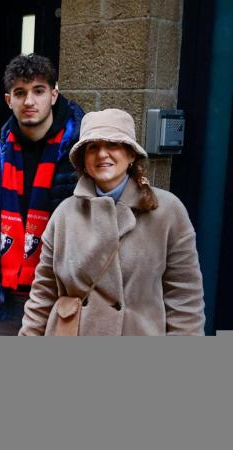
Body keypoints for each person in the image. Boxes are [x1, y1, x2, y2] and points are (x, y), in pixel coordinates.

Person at [19, 108, 205, 335]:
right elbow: (42, 294)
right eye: (92, 147)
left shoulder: (167, 211)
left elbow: (185, 299)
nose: (102, 154)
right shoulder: (64, 214)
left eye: (112, 145)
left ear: (131, 155)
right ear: (83, 160)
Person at [0, 53, 85, 335]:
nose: (29, 101)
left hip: (62, 297)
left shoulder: (78, 156)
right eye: (20, 93)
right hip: (5, 298)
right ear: (9, 100)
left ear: (54, 95)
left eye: (38, 91)